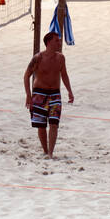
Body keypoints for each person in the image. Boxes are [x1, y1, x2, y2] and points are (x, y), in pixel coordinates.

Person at [24, 30, 75, 158]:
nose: (59, 42)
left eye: (59, 40)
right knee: (41, 125)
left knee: (54, 124)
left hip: (55, 94)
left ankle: (51, 153)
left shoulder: (60, 58)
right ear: (48, 42)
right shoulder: (38, 58)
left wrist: (69, 91)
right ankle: (45, 151)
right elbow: (26, 75)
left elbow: (64, 75)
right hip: (39, 94)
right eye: (56, 40)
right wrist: (28, 95)